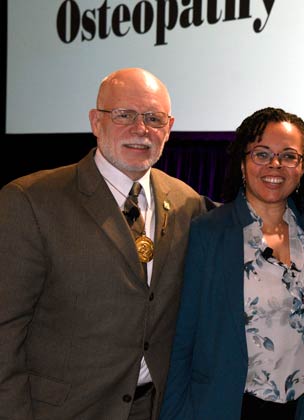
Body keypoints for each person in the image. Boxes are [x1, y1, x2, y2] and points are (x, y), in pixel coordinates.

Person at [0, 68, 206, 419]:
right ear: (96, 122)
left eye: (153, 118)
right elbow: (6, 328)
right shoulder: (30, 200)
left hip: (155, 407)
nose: (140, 129)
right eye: (124, 115)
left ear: (168, 128)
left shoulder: (186, 201)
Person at [159, 107, 304, 420]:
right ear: (242, 162)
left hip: (301, 409)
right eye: (262, 154)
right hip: (228, 406)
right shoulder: (209, 232)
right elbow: (182, 338)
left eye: (289, 156)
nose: (275, 165)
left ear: (303, 167)